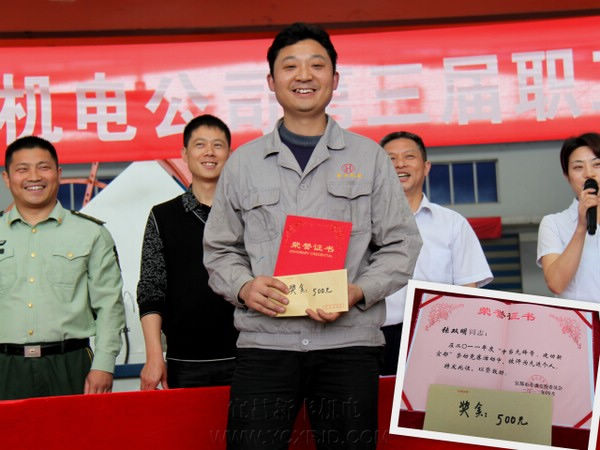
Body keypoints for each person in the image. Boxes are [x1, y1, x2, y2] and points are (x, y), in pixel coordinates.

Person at [203, 23, 421, 450]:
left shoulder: (369, 158)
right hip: (265, 345)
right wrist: (244, 286)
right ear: (271, 81)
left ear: (334, 79)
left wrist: (358, 291)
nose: (304, 76)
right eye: (290, 66)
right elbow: (219, 248)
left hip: (348, 344)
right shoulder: (244, 163)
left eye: (317, 65)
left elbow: (402, 244)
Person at [0, 135, 125, 399]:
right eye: (23, 169)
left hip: (70, 364)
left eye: (43, 167)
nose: (34, 177)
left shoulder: (91, 233)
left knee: (76, 429)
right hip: (5, 366)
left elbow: (109, 305)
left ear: (58, 174)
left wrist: (104, 365)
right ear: (7, 178)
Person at [378, 131, 493, 375]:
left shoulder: (452, 223)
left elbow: (468, 290)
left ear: (426, 167)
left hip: (437, 336)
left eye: (409, 157)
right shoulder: (362, 223)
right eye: (390, 159)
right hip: (376, 339)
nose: (400, 164)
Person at [137, 114, 237, 389]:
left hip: (246, 356)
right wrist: (154, 357)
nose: (209, 152)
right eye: (200, 145)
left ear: (230, 154)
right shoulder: (162, 216)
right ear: (185, 154)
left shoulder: (246, 213)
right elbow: (151, 290)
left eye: (218, 145)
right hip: (185, 362)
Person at [537, 132, 600, 302]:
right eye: (578, 167)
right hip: (580, 319)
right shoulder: (553, 224)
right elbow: (556, 284)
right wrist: (581, 227)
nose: (589, 174)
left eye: (597, 164)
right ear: (567, 176)